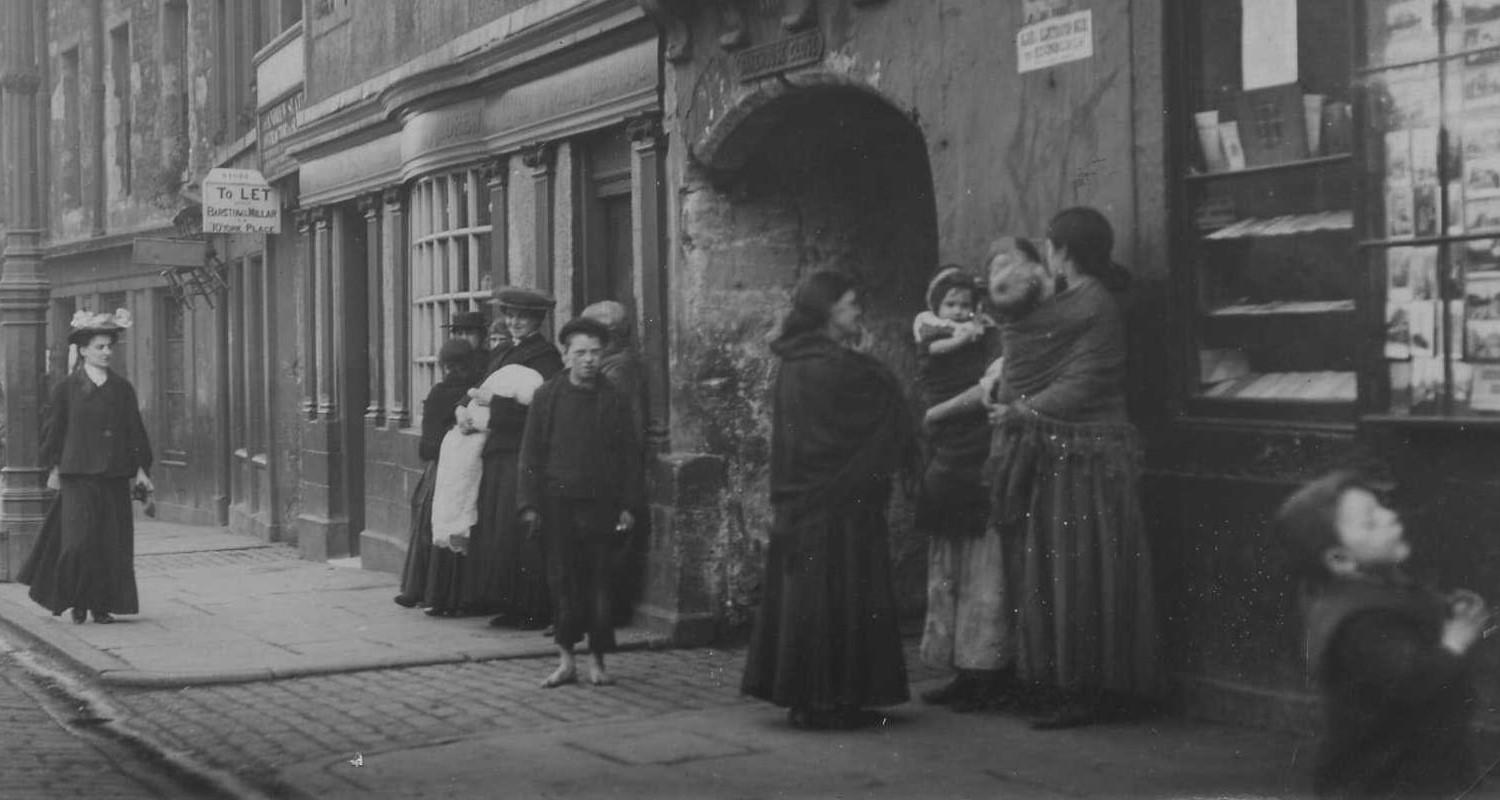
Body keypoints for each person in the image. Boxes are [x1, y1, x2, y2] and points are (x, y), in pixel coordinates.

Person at [982, 208, 1159, 729]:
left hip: (1091, 455)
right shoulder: (1072, 302)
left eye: (1049, 246)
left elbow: (1088, 382)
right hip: (1066, 454)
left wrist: (1021, 411)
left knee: (1081, 570)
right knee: (1069, 568)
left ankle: (1089, 688)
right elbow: (1024, 351)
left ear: (1062, 252)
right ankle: (1070, 683)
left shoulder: (1093, 304)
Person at [741, 269, 916, 730]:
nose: (858, 311)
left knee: (812, 598)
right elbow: (892, 412)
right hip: (841, 504)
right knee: (841, 594)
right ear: (828, 311)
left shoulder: (795, 363)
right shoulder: (840, 366)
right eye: (851, 303)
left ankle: (808, 696)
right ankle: (838, 695)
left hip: (803, 504)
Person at [1278, 471, 1487, 799]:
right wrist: (1455, 641)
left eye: (1382, 507)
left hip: (1416, 760)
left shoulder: (1372, 586)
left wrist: (1445, 608)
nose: (1390, 517)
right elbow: (1409, 681)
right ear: (1340, 559)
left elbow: (1410, 604)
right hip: (1385, 772)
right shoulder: (1362, 621)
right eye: (1370, 522)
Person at [916, 244, 1047, 713]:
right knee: (956, 561)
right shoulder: (961, 333)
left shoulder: (998, 335)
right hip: (954, 460)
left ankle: (988, 668)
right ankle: (964, 668)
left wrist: (935, 413)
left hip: (987, 457)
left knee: (985, 567)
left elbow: (991, 387)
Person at [517, 317, 643, 688]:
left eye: (595, 352)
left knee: (600, 584)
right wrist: (528, 504)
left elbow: (629, 457)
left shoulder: (613, 399)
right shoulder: (548, 397)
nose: (588, 360)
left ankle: (598, 662)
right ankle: (566, 660)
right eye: (580, 353)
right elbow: (530, 454)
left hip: (601, 506)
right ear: (566, 355)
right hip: (557, 506)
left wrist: (628, 505)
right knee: (562, 582)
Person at [19, 309, 153, 625]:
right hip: (76, 475)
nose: (106, 353)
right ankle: (77, 601)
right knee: (77, 543)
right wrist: (51, 466)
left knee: (110, 543)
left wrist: (142, 470)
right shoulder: (66, 389)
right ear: (83, 351)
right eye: (99, 347)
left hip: (113, 475)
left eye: (109, 347)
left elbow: (135, 431)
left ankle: (101, 606)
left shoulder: (123, 389)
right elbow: (54, 430)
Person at [470, 287, 564, 627]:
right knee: (499, 528)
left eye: (522, 317)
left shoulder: (545, 357)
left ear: (537, 320)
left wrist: (492, 405)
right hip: (498, 450)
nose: (514, 322)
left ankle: (532, 607)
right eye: (509, 315)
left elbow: (543, 413)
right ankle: (509, 602)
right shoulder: (506, 351)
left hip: (522, 454)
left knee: (520, 528)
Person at [580, 299, 650, 625]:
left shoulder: (619, 369)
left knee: (612, 542)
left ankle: (609, 613)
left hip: (616, 467)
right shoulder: (608, 365)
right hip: (606, 465)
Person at [394, 339, 475, 612]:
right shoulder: (474, 392)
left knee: (433, 526)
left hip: (441, 469)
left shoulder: (440, 393)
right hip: (467, 467)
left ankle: (423, 589)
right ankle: (449, 594)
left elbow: (427, 446)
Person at [444, 310, 492, 383]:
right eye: (460, 334)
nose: (464, 338)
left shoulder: (491, 360)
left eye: (470, 333)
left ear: (481, 335)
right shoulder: (452, 361)